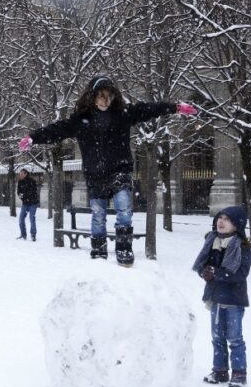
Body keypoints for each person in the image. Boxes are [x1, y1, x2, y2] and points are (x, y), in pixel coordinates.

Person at [19, 75, 198, 266]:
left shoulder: (123, 114)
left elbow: (148, 109)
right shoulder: (81, 120)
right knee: (98, 214)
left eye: (109, 96)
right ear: (93, 96)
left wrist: (175, 107)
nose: (105, 100)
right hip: (95, 173)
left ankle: (123, 248)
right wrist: (33, 137)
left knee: (124, 208)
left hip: (119, 169)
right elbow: (57, 130)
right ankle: (98, 249)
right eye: (101, 95)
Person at [192, 206, 251, 387]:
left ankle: (239, 373)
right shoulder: (212, 242)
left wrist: (217, 273)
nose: (221, 221)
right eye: (220, 217)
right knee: (217, 337)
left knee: (234, 337)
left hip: (233, 299)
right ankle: (220, 370)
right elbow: (204, 265)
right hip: (215, 297)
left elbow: (241, 273)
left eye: (227, 219)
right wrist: (205, 272)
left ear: (237, 225)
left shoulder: (241, 246)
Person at [16, 169, 40, 241]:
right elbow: (18, 191)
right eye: (20, 174)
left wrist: (25, 195)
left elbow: (33, 192)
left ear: (26, 174)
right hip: (25, 203)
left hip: (33, 203)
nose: (20, 175)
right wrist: (20, 196)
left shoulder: (32, 181)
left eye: (22, 174)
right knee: (21, 219)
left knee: (32, 219)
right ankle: (23, 235)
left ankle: (33, 235)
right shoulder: (20, 182)